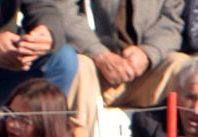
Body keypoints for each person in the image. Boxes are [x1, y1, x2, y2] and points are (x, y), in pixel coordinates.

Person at [29, 0, 183, 110]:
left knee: (181, 65)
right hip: (94, 67)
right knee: (77, 65)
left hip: (145, 73)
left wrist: (148, 52)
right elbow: (64, 12)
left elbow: (172, 21)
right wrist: (99, 53)